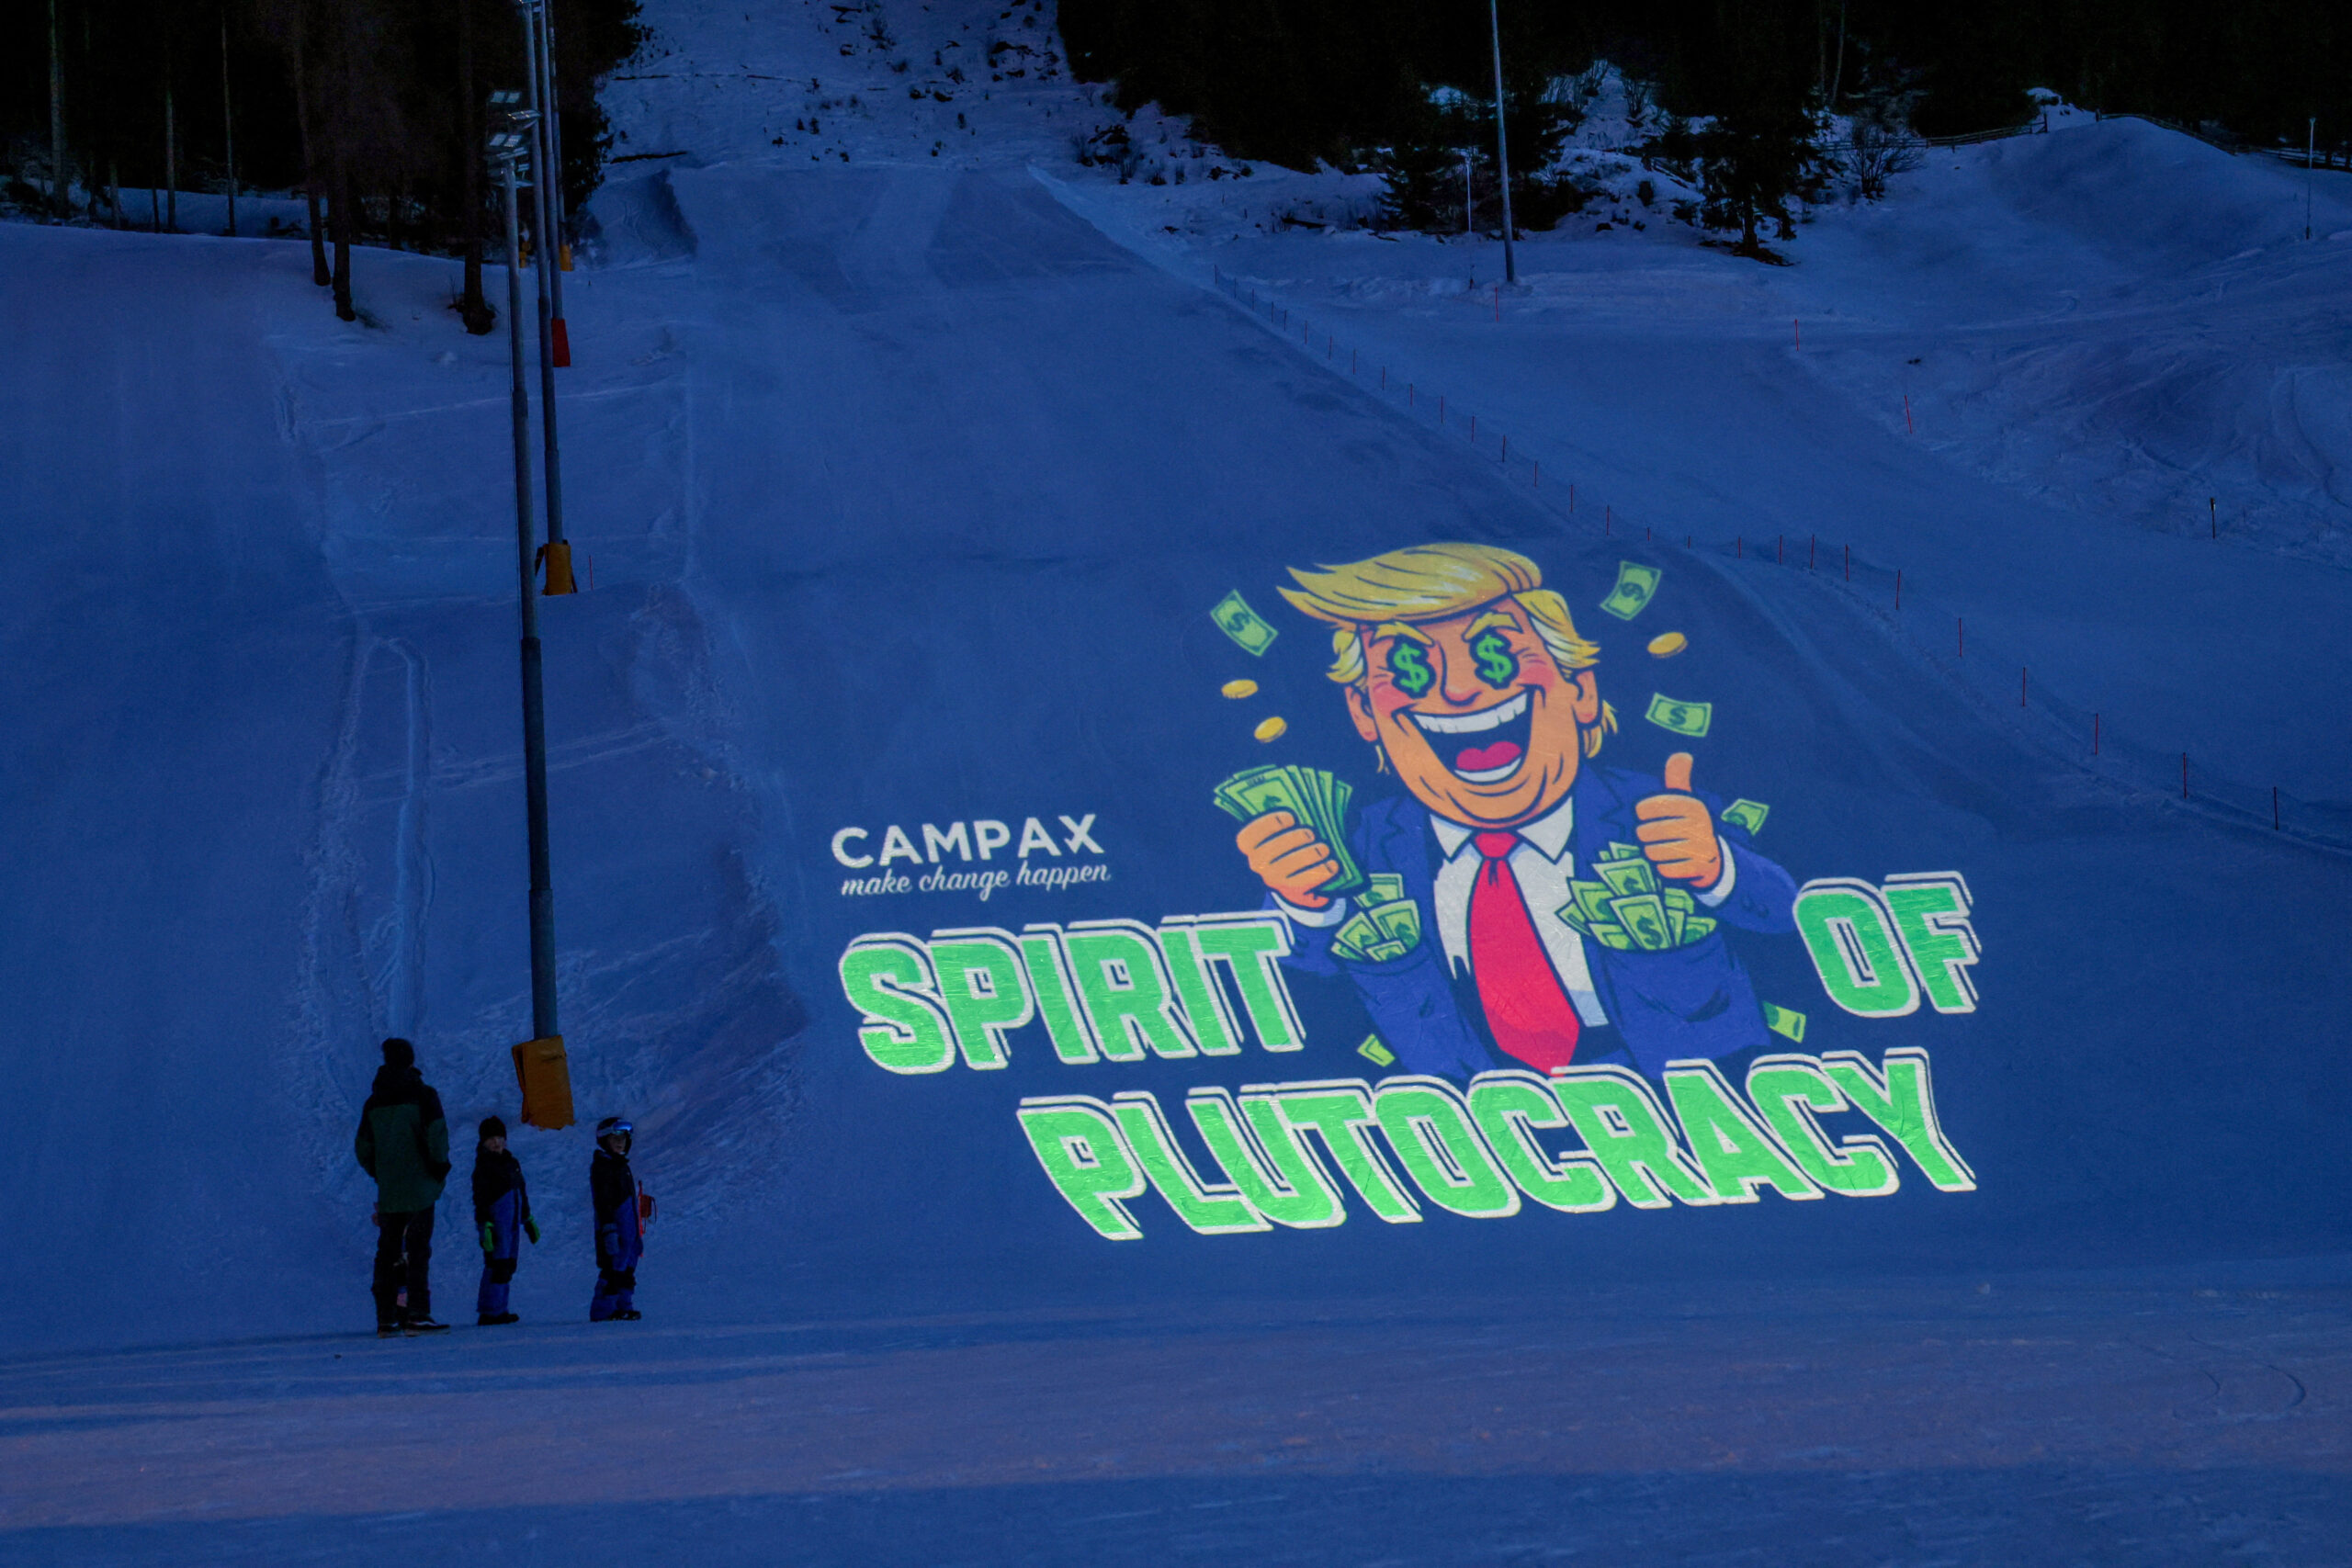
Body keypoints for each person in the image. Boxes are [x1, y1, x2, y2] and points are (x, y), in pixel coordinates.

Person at [1237, 543, 1799, 1080]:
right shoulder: (1361, 844)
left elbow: (1793, 915)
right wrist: (1302, 905)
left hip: (1694, 1123)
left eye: (1496, 654)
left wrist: (1715, 870)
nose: (1459, 691)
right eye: (1409, 666)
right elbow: (1291, 978)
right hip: (1474, 1140)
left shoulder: (1653, 811)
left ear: (1580, 688)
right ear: (1363, 711)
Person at [354, 1037, 451, 1336]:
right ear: (410, 1060)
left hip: (391, 1190)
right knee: (417, 1251)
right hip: (420, 1186)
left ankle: (387, 1317)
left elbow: (363, 1148)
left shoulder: (374, 1101)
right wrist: (438, 1168)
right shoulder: (424, 1095)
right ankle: (416, 1313)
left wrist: (381, 1173)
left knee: (389, 1253)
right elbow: (437, 1135)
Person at [471, 1116, 539, 1325]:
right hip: (495, 1223)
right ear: (483, 1142)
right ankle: (490, 1311)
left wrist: (527, 1218)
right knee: (496, 1264)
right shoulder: (484, 1167)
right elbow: (480, 1199)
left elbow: (521, 1191)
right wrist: (485, 1224)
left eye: (500, 1138)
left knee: (508, 1264)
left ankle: (500, 1308)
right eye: (491, 1139)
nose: (496, 1143)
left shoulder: (511, 1163)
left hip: (512, 1221)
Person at [589, 1117, 643, 1322]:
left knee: (628, 1267)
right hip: (613, 1227)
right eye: (614, 1138)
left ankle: (623, 1306)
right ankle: (603, 1310)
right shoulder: (603, 1167)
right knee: (613, 1268)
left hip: (628, 1228)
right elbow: (603, 1202)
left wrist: (636, 1236)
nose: (620, 1142)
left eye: (623, 1138)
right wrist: (609, 1229)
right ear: (604, 1140)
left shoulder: (621, 1165)